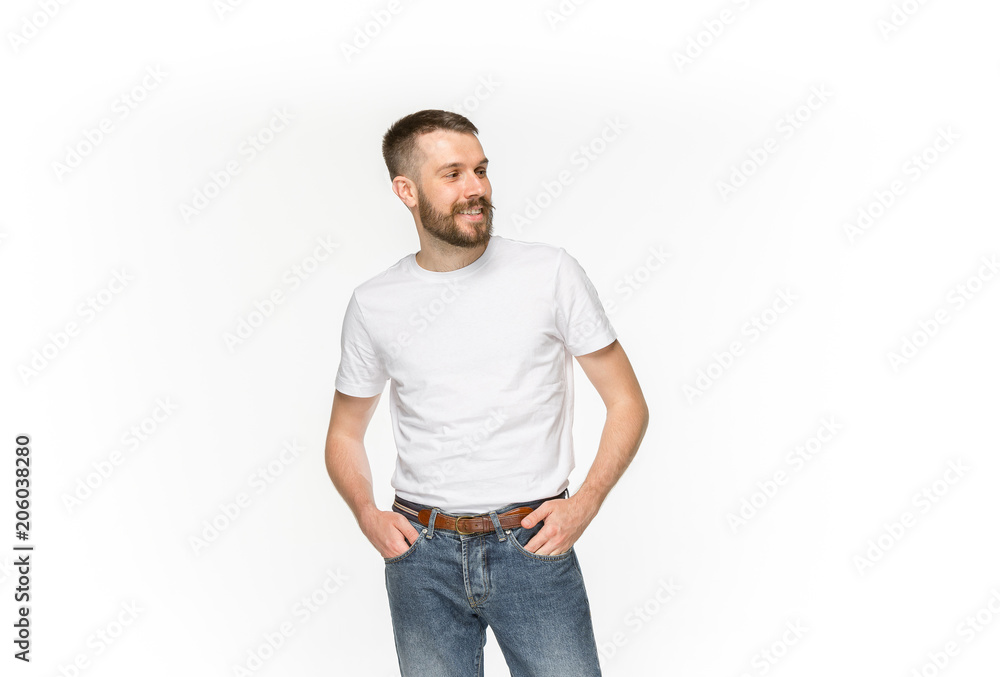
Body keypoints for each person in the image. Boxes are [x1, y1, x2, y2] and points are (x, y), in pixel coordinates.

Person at [324, 109, 648, 676]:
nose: (476, 189)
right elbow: (344, 433)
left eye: (481, 169)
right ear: (406, 190)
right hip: (419, 556)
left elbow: (627, 402)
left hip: (532, 544)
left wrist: (585, 503)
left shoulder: (550, 273)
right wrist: (367, 515)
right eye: (452, 174)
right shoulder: (375, 303)